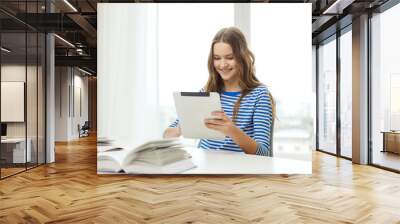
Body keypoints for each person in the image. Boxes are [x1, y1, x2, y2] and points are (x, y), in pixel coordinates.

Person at [163, 27, 274, 156]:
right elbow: (167, 134)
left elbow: (263, 153)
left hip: (237, 171)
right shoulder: (207, 92)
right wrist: (180, 129)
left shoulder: (259, 95)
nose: (222, 64)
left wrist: (231, 130)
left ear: (242, 57)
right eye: (217, 58)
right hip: (205, 167)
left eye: (229, 57)